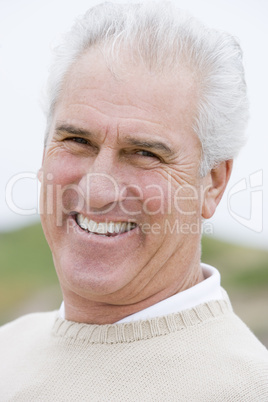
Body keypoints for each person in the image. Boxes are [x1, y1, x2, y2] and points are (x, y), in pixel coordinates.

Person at [1, 1, 267, 400]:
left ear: (211, 184)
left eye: (145, 153)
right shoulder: (8, 348)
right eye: (77, 140)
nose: (97, 190)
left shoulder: (248, 389)